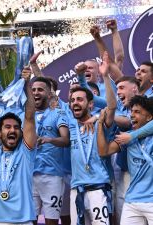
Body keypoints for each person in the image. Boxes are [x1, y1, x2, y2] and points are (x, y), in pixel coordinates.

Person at [0, 66, 37, 224]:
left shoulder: (26, 152)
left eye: (16, 127)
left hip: (22, 221)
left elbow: (30, 117)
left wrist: (26, 85)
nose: (12, 130)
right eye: (7, 127)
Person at [69, 51, 117, 225]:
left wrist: (105, 77)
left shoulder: (100, 123)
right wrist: (80, 77)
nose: (75, 102)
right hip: (76, 189)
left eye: (80, 99)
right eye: (73, 100)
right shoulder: (70, 123)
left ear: (90, 104)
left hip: (98, 190)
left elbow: (111, 106)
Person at [97, 95, 153, 225]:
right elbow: (104, 151)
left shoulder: (130, 136)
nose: (132, 115)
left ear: (149, 117)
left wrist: (132, 135)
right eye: (131, 111)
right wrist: (100, 123)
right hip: (132, 201)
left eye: (137, 112)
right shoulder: (125, 138)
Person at [31, 77, 70, 225]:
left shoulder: (58, 113)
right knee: (29, 220)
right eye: (33, 90)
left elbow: (65, 140)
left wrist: (49, 139)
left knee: (51, 222)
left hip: (52, 176)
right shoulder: (26, 116)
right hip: (29, 175)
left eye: (40, 90)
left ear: (49, 94)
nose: (36, 93)